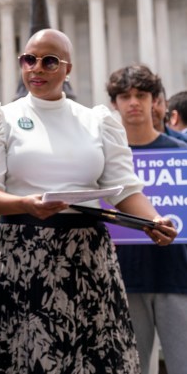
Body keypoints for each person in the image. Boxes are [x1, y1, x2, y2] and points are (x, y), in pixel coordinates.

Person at [0, 29, 176, 373]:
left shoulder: (96, 121)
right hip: (20, 252)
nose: (37, 68)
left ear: (68, 69)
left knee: (95, 359)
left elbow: (123, 188)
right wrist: (25, 205)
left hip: (86, 256)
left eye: (49, 61)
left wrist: (154, 221)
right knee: (24, 359)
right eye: (28, 60)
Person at [106, 64, 187, 374]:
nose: (133, 102)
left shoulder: (181, 152)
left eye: (141, 94)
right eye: (125, 96)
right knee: (131, 368)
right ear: (114, 103)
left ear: (155, 100)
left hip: (177, 275)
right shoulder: (106, 156)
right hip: (124, 276)